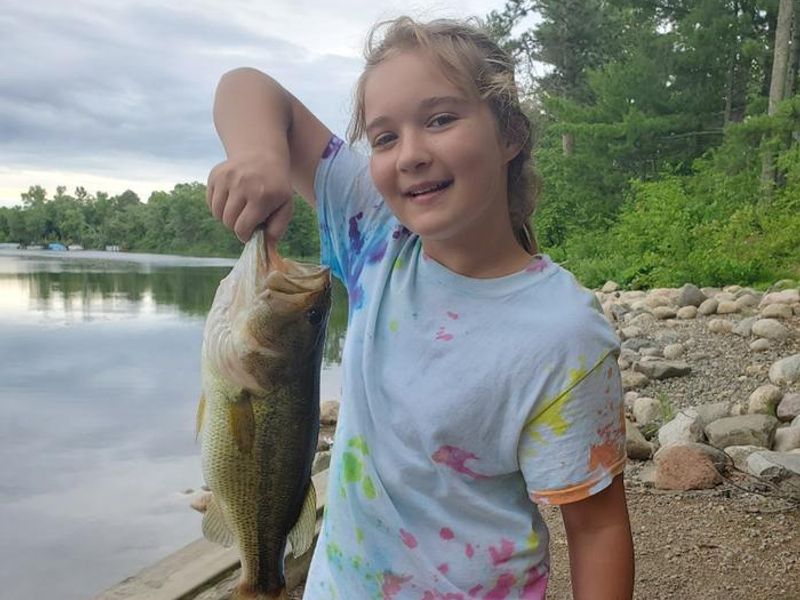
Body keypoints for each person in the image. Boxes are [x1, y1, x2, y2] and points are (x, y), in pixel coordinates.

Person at [207, 16, 634, 600]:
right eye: (384, 138)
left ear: (509, 133)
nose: (409, 155)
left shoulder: (563, 334)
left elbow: (600, 529)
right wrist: (260, 155)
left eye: (440, 119)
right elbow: (247, 85)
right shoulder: (378, 233)